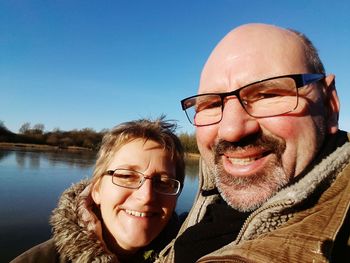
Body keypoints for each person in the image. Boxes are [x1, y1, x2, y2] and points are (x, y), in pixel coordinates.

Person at [157, 23, 350, 262]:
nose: (231, 130)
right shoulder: (206, 208)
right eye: (212, 104)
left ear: (330, 105)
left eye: (267, 94)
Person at [11, 117, 185, 263]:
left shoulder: (189, 252)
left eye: (163, 182)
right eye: (126, 176)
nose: (146, 196)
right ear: (96, 190)